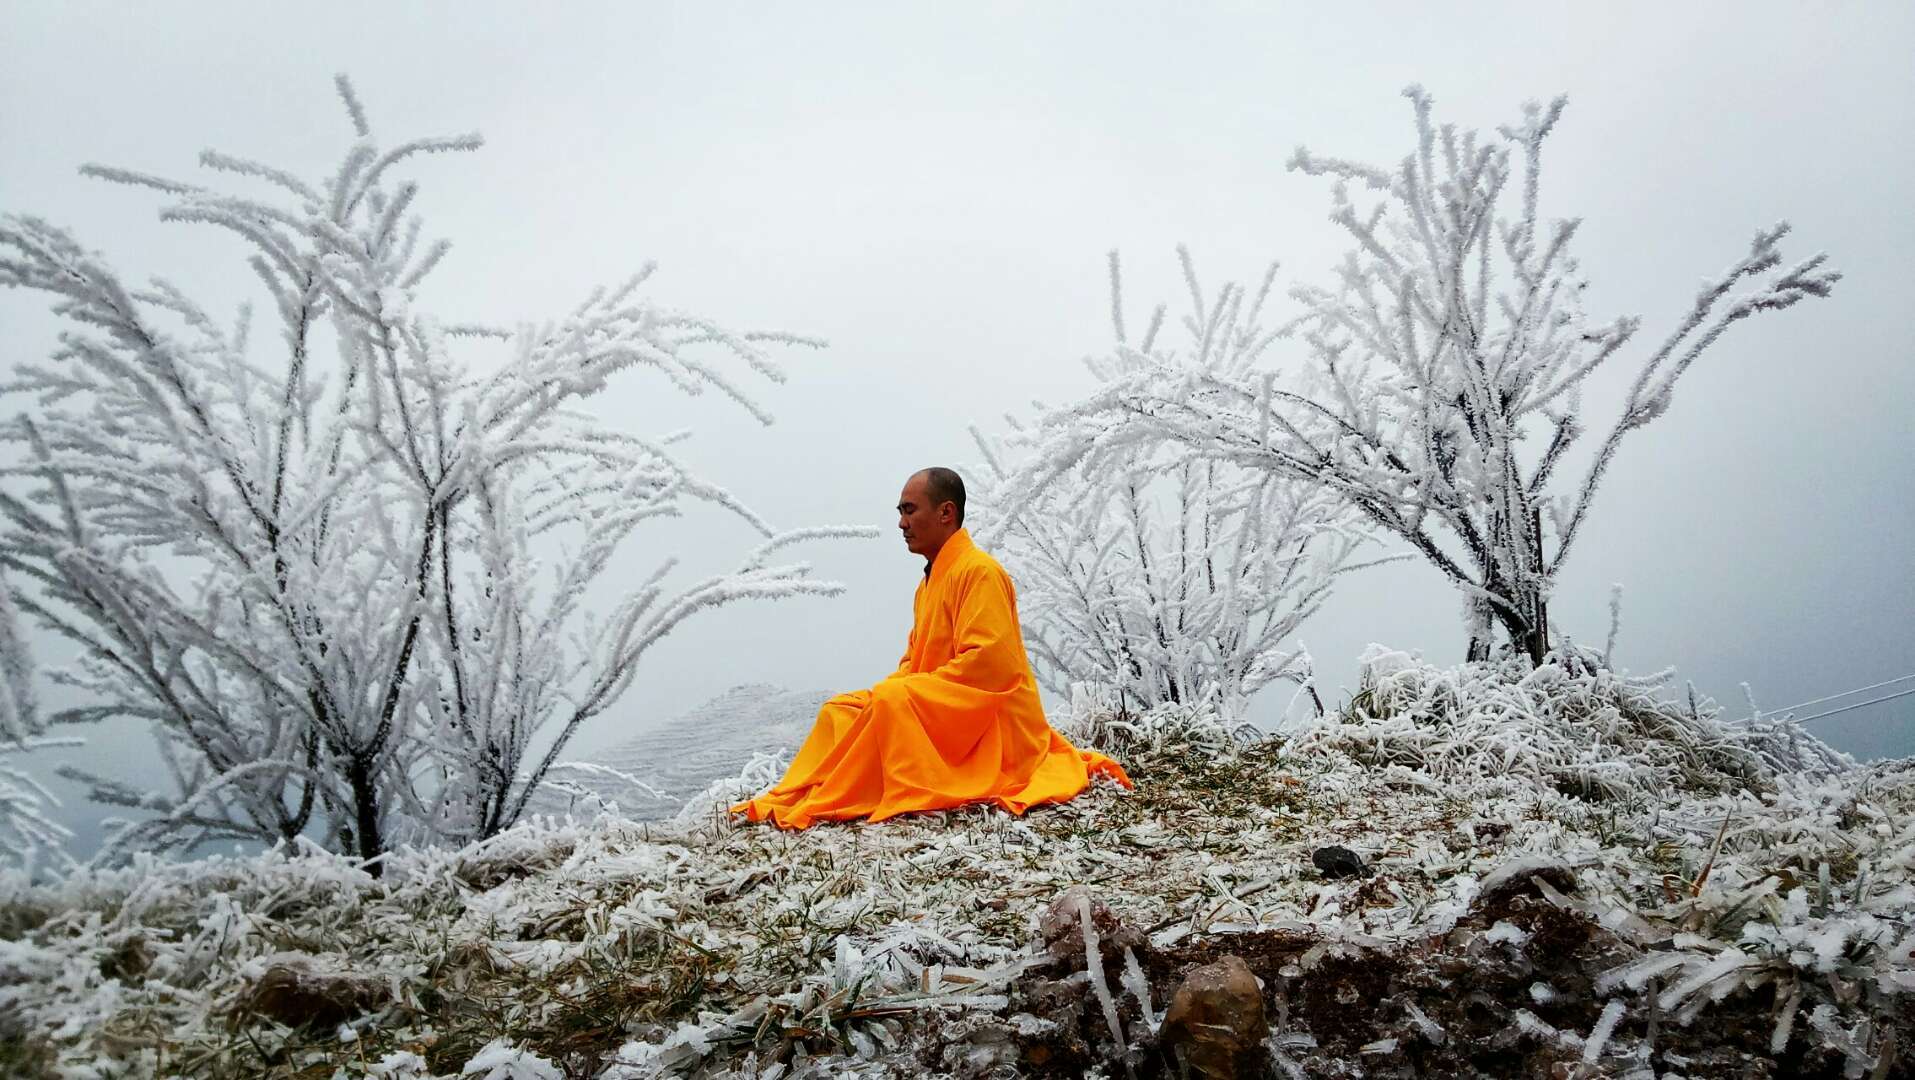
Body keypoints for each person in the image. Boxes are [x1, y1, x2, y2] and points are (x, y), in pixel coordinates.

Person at [731, 467, 1131, 829]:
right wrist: (894, 694)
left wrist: (908, 693)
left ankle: (855, 793)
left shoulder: (980, 573)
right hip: (943, 705)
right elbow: (913, 662)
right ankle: (808, 791)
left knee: (891, 698)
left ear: (946, 513)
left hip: (991, 722)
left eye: (909, 510)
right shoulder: (929, 584)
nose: (902, 523)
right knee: (843, 709)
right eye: (900, 513)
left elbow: (990, 665)